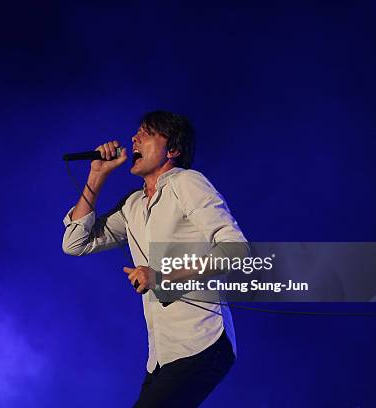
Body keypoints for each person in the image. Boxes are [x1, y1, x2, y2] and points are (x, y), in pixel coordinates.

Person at [62, 111, 248, 407]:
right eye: (136, 133)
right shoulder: (133, 204)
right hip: (162, 355)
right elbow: (75, 243)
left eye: (146, 134)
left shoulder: (186, 183)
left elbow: (236, 249)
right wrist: (97, 176)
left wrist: (162, 278)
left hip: (202, 342)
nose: (134, 139)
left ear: (172, 149)